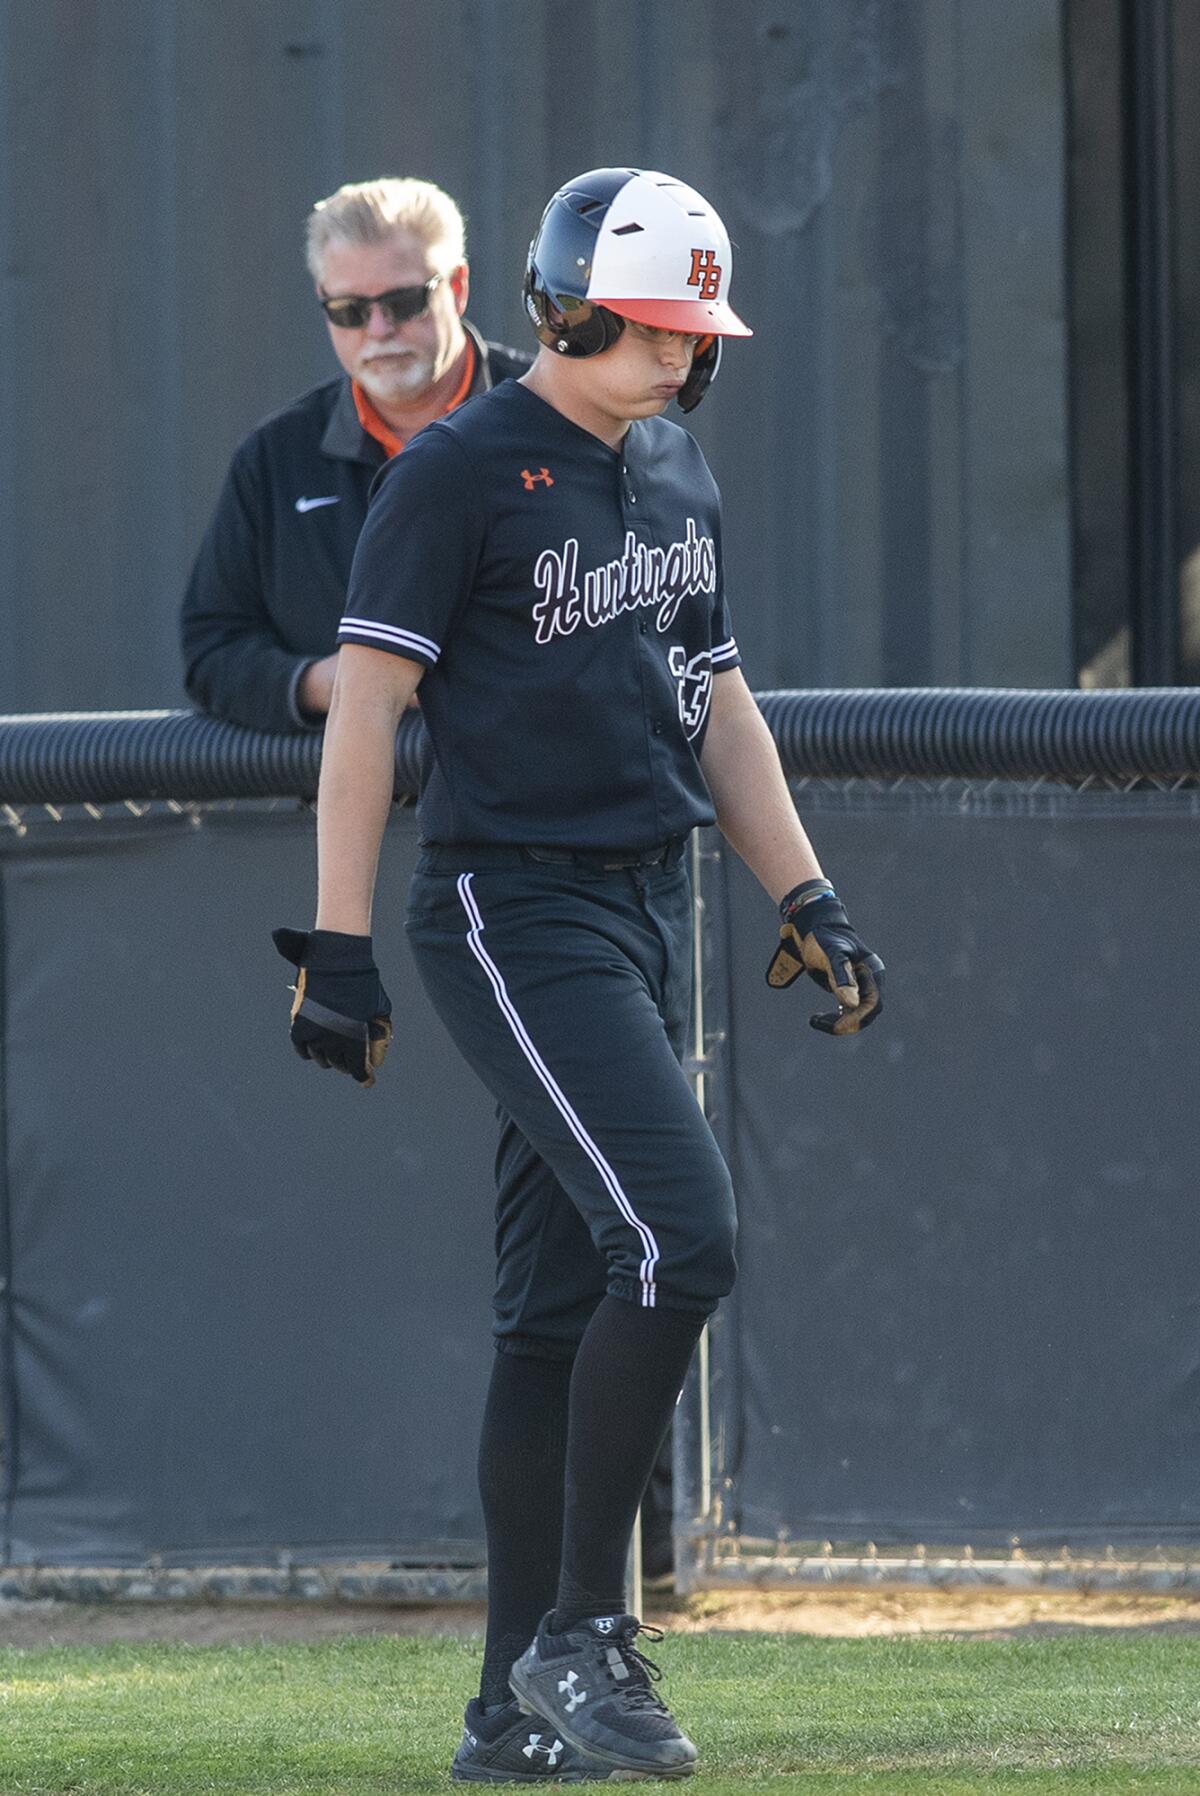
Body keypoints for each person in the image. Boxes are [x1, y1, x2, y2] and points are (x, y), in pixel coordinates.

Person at [273, 167, 884, 1781]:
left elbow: (720, 700)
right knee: (681, 1237)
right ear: (576, 307)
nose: (691, 354)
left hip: (640, 903)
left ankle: (500, 1714)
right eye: (667, 324)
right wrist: (338, 944)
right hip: (506, 907)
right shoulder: (460, 474)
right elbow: (366, 716)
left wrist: (805, 890)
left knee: (552, 1317)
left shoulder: (675, 467)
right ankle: (581, 1634)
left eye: (701, 327)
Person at [180, 177, 530, 733]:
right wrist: (334, 682)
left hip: (541, 801)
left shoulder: (556, 420)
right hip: (348, 806)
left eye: (404, 301)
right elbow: (212, 654)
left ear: (457, 287)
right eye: (349, 309)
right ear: (323, 304)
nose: (379, 330)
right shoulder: (274, 460)